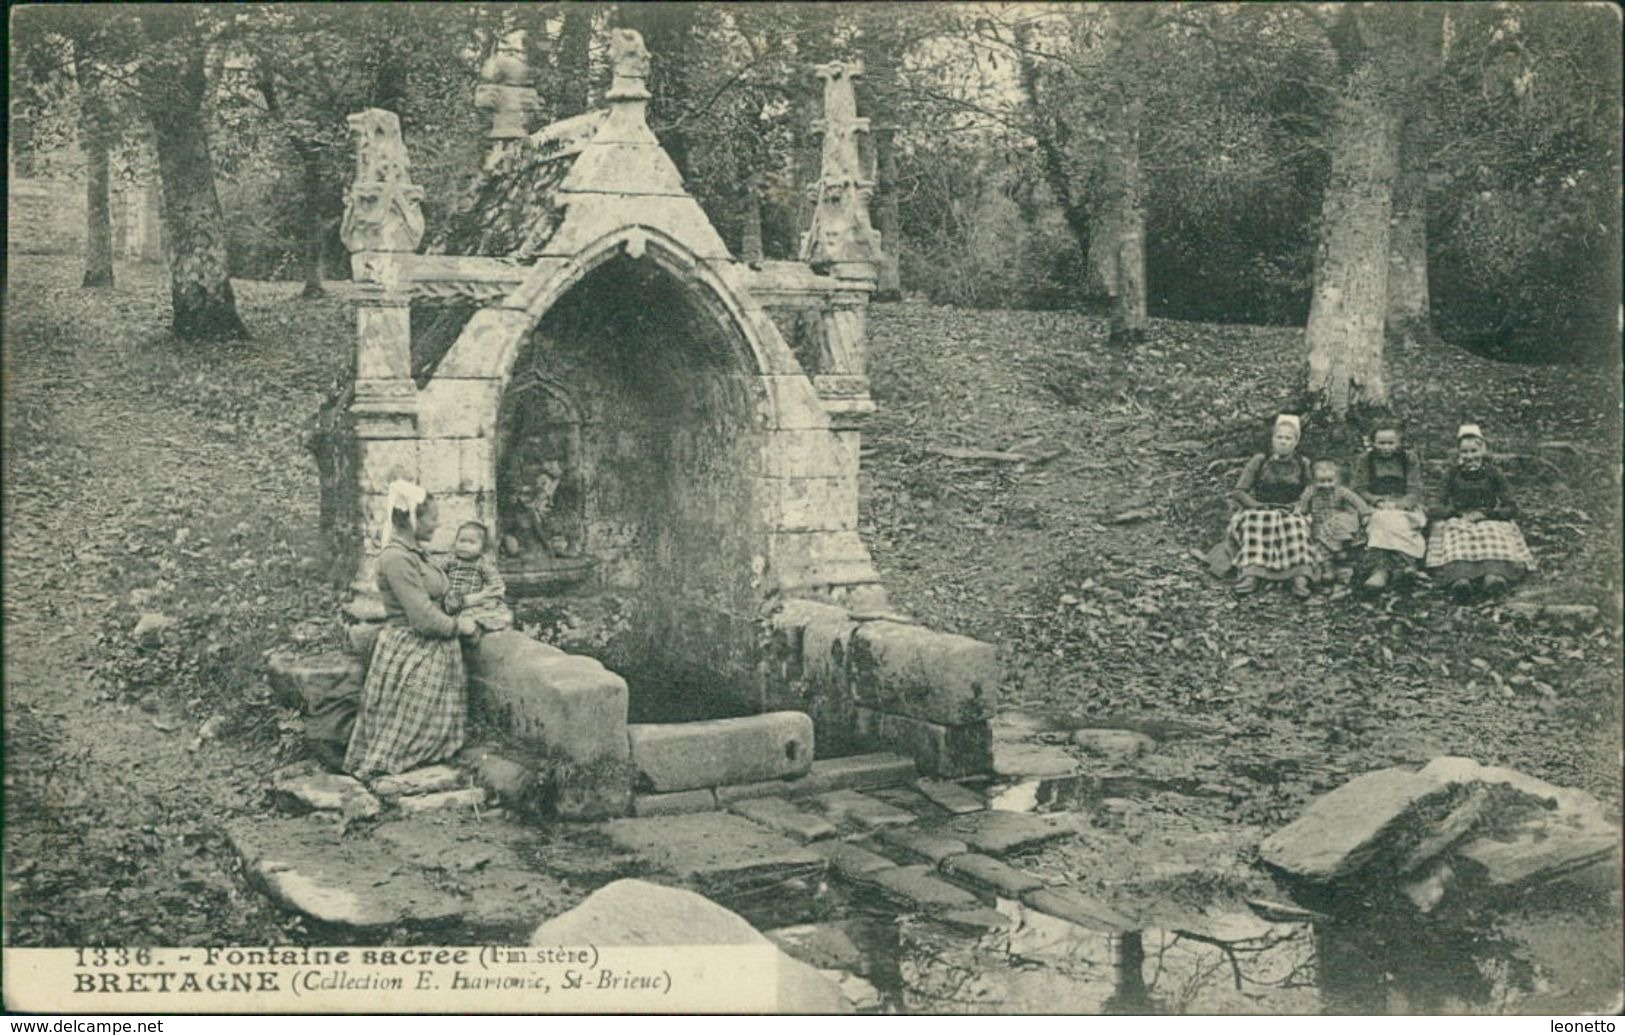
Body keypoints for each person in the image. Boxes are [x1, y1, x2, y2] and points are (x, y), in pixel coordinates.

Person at [344, 481, 479, 780]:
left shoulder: (415, 554)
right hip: (413, 648)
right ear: (412, 519)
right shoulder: (396, 558)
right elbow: (423, 619)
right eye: (432, 517)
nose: (438, 523)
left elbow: (437, 594)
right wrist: (460, 626)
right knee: (401, 744)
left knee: (432, 739)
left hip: (431, 645)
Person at [1425, 424, 1536, 600]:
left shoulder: (1493, 473)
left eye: (1474, 451)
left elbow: (1511, 506)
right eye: (1465, 452)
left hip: (1488, 517)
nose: (1470, 457)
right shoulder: (1452, 474)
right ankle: (1460, 580)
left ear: (1483, 449)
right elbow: (1436, 504)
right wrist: (1455, 513)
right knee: (1457, 536)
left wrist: (1488, 514)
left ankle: (1494, 577)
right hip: (1460, 517)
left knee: (1491, 533)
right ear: (1459, 453)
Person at [1223, 414, 1317, 599]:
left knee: (1295, 525)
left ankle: (1299, 576)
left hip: (1289, 509)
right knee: (1254, 523)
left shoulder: (1302, 463)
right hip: (1261, 509)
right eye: (1279, 437)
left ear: (1296, 442)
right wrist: (1257, 506)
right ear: (1273, 439)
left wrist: (1299, 505)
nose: (1283, 442)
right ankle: (1252, 574)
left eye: (1288, 438)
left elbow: (1311, 488)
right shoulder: (1260, 460)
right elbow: (1240, 491)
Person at [1351, 421, 1428, 591]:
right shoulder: (1366, 460)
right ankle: (1380, 570)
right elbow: (1359, 488)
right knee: (1380, 520)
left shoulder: (1409, 459)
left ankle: (1405, 566)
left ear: (1399, 443)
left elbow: (1415, 488)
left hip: (1403, 505)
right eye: (1381, 443)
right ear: (1373, 443)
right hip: (1376, 505)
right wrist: (1377, 501)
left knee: (1402, 522)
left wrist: (1403, 503)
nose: (1386, 447)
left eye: (1391, 443)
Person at [1296, 459, 1371, 593]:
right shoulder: (1311, 491)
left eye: (1330, 481)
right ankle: (1328, 568)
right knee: (1320, 544)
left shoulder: (1341, 491)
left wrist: (1365, 514)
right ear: (1313, 481)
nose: (1326, 485)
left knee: (1340, 529)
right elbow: (1302, 507)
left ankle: (1343, 555)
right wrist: (1301, 512)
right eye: (1321, 481)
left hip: (1337, 522)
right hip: (1319, 523)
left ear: (1337, 480)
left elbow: (1357, 501)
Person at [442, 520, 513, 641]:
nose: (465, 545)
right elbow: (437, 573)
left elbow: (496, 584)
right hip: (453, 600)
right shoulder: (450, 559)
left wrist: (492, 596)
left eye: (471, 542)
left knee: (494, 615)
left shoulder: (482, 564)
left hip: (474, 601)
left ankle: (475, 632)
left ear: (482, 548)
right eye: (462, 541)